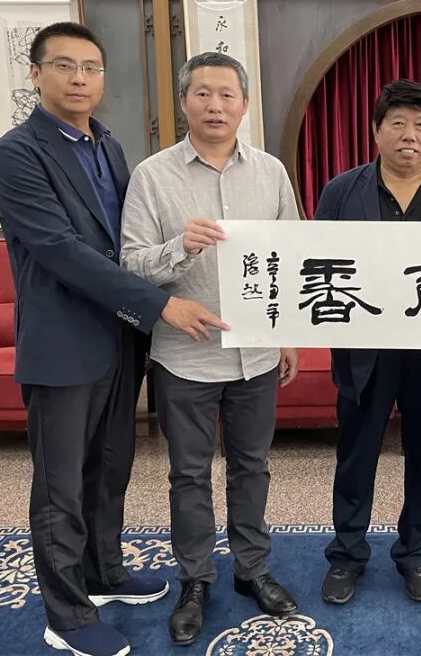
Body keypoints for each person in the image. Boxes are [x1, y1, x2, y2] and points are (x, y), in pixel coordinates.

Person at [0, 22, 225, 656]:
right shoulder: (18, 152)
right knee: (61, 484)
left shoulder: (110, 147)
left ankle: (103, 572)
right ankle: (66, 615)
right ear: (35, 74)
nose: (79, 79)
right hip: (63, 343)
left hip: (119, 339)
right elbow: (60, 250)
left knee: (110, 467)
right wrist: (161, 304)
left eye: (90, 68)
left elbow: (127, 243)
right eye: (63, 66)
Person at [121, 52, 300, 647]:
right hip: (185, 355)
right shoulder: (152, 176)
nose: (215, 105)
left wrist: (288, 334)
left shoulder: (271, 172)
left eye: (227, 95)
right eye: (203, 94)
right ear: (184, 102)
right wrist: (180, 247)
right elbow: (129, 265)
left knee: (253, 466)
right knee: (189, 475)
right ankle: (195, 579)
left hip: (256, 354)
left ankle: (252, 569)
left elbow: (291, 259)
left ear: (245, 105)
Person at [315, 78, 421, 606]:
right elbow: (316, 264)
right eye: (398, 123)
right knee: (356, 454)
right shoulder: (341, 191)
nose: (409, 135)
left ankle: (415, 554)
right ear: (376, 131)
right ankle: (347, 554)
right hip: (364, 350)